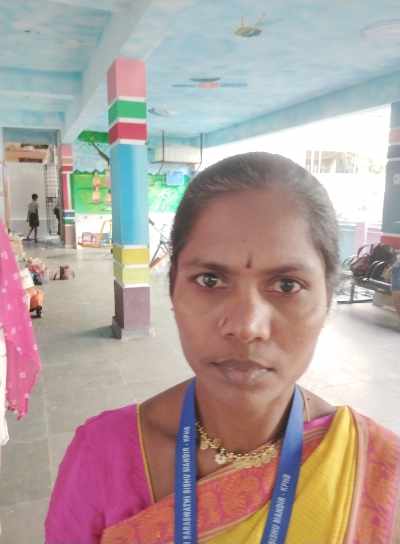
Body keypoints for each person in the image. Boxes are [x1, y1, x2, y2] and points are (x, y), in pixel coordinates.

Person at [45, 152, 400, 543]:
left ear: (328, 300)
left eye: (287, 285)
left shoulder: (381, 474)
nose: (246, 327)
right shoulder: (102, 457)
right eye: (210, 280)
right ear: (173, 291)